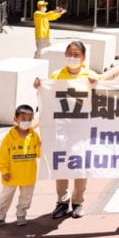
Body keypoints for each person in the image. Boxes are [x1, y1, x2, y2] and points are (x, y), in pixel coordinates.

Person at [34, 41, 101, 219]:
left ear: (83, 57)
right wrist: (40, 86)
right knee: (61, 164)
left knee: (80, 166)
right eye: (69, 53)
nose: (72, 57)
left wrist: (97, 86)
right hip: (61, 128)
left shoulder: (91, 75)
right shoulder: (57, 75)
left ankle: (78, 202)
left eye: (76, 54)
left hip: (82, 129)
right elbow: (48, 97)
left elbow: (104, 100)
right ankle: (61, 202)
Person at [0, 104, 41, 229]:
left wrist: (42, 145)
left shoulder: (34, 137)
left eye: (29, 119)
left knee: (26, 197)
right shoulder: (9, 137)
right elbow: (3, 156)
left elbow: (39, 154)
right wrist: (4, 170)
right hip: (11, 175)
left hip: (28, 174)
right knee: (5, 197)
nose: (26, 122)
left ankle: (21, 214)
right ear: (15, 119)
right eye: (23, 119)